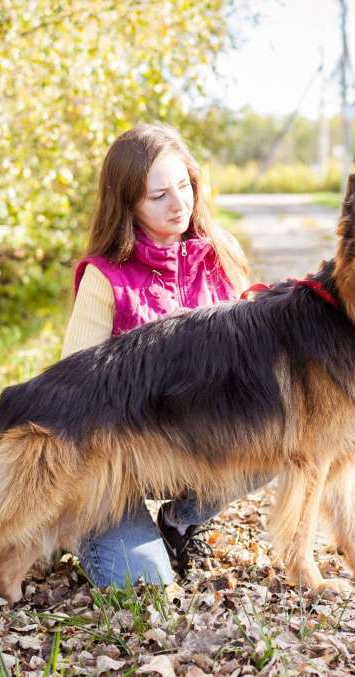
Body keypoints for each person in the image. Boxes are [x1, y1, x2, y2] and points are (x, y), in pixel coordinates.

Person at [61, 124, 267, 588]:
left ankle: (181, 521)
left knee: (281, 430)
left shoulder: (221, 253)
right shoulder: (105, 277)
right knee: (148, 586)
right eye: (158, 196)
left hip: (192, 446)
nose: (178, 205)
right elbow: (73, 392)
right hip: (114, 466)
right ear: (128, 203)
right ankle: (81, 526)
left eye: (184, 187)